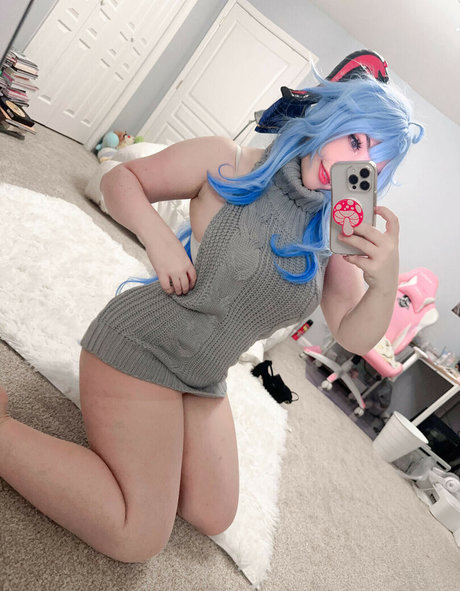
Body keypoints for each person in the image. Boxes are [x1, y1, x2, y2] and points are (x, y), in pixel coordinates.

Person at [0, 67, 423, 563]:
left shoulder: (333, 235)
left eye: (373, 159)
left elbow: (353, 336)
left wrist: (384, 282)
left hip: (203, 376)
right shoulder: (232, 160)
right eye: (354, 139)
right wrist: (160, 242)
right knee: (137, 535)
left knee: (212, 512)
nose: (356, 161)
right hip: (143, 346)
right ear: (327, 120)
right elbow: (120, 179)